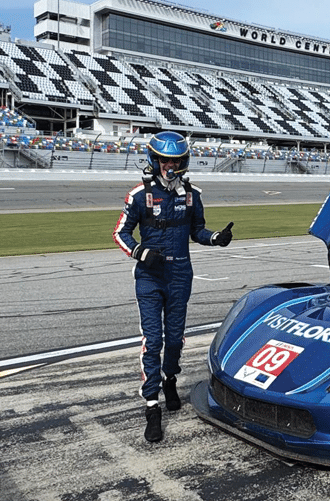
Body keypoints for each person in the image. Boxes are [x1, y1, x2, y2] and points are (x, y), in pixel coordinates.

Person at [113, 131, 233, 443]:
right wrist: (139, 252)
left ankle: (170, 378)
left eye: (176, 161)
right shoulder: (139, 195)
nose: (170, 166)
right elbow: (120, 233)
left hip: (180, 274)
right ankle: (152, 405)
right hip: (150, 277)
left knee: (176, 339)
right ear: (154, 160)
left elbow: (197, 231)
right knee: (153, 340)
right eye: (165, 160)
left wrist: (215, 238)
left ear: (183, 162)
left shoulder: (192, 194)